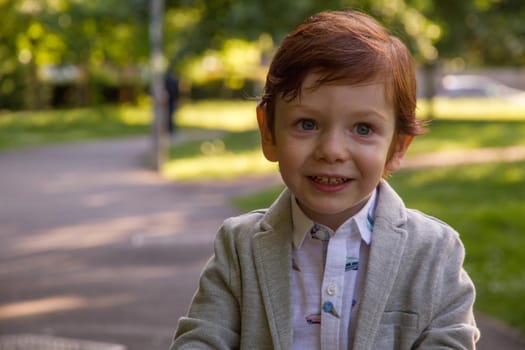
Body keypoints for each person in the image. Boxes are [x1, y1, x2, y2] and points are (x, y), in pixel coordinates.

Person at [170, 10, 480, 350]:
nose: (332, 151)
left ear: (397, 147)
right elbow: (201, 339)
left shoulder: (434, 252)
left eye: (363, 129)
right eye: (307, 124)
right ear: (268, 132)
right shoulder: (239, 248)